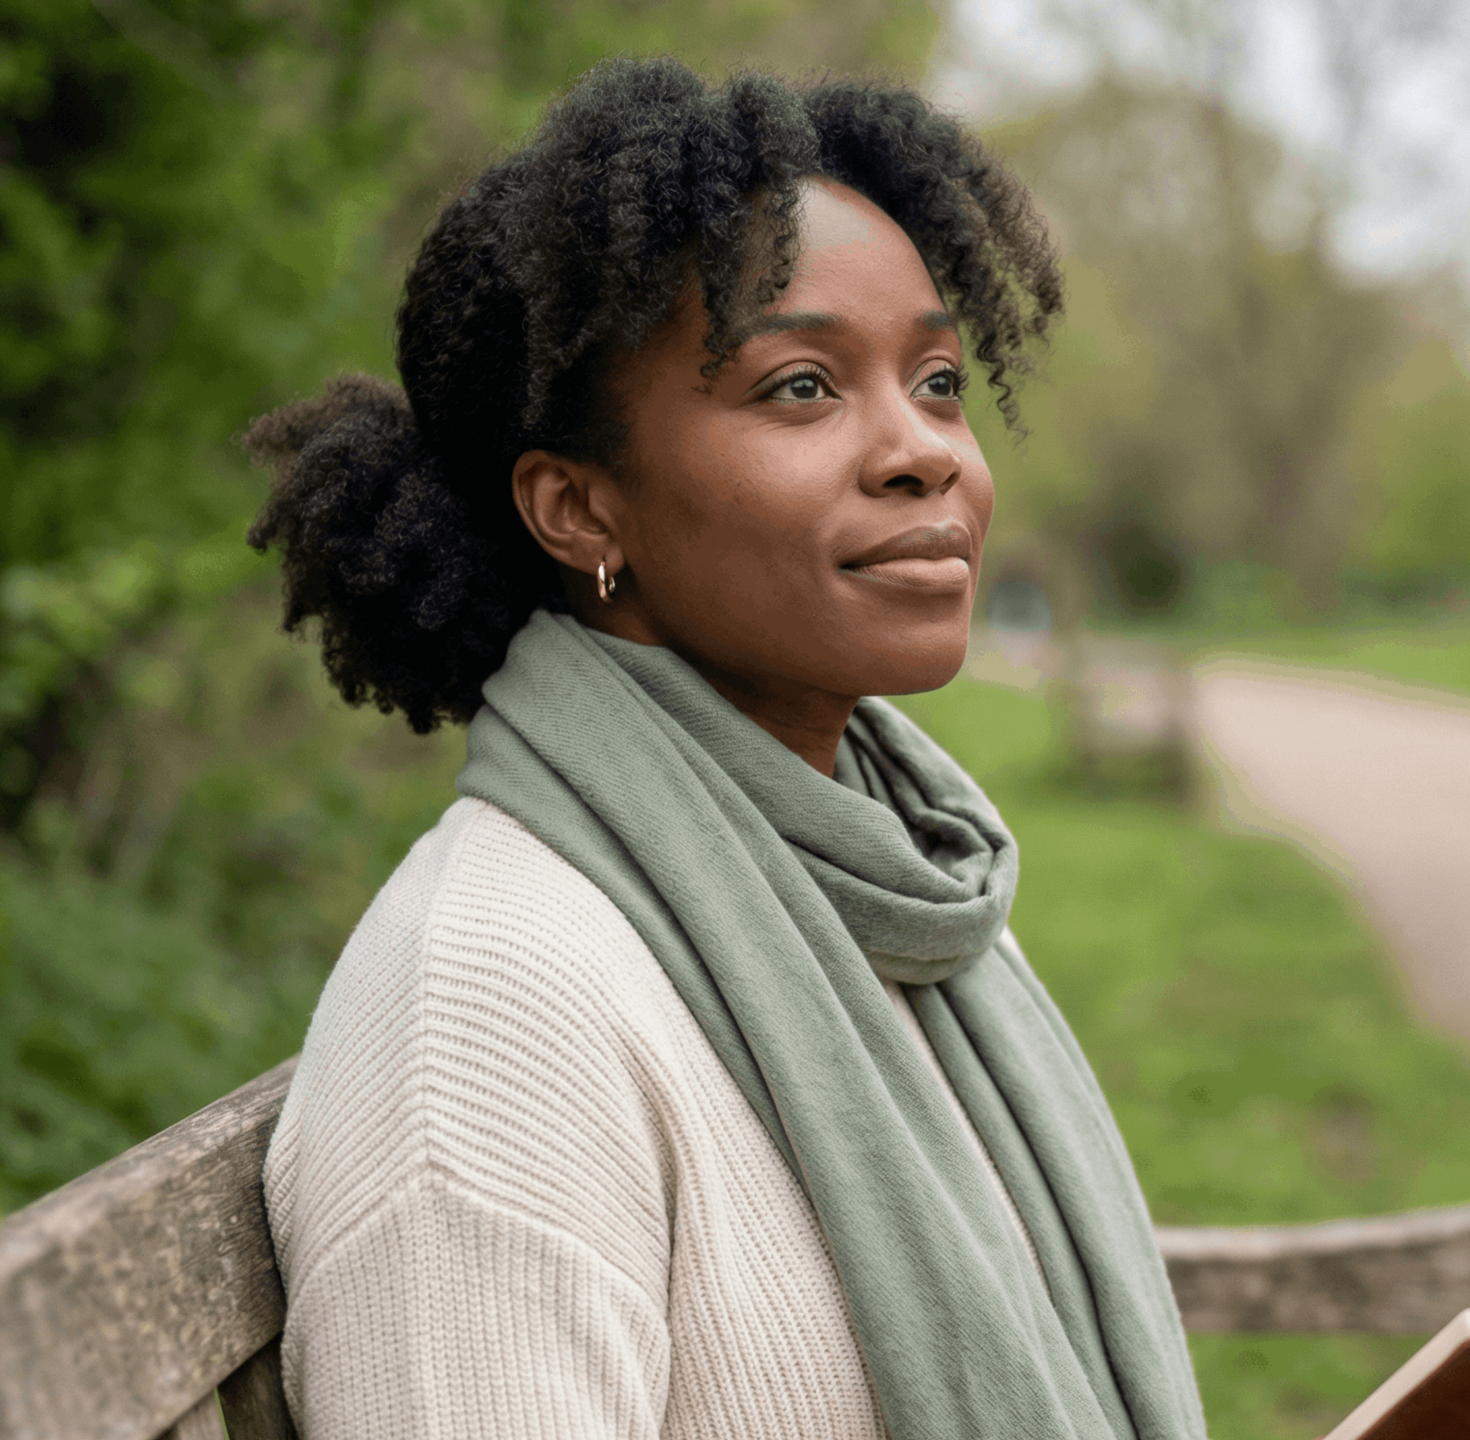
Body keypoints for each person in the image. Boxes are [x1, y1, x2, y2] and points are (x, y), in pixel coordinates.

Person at [246, 56, 1207, 1440]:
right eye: (804, 386)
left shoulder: (894, 887)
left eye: (937, 382)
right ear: (580, 512)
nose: (924, 452)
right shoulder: (488, 1019)